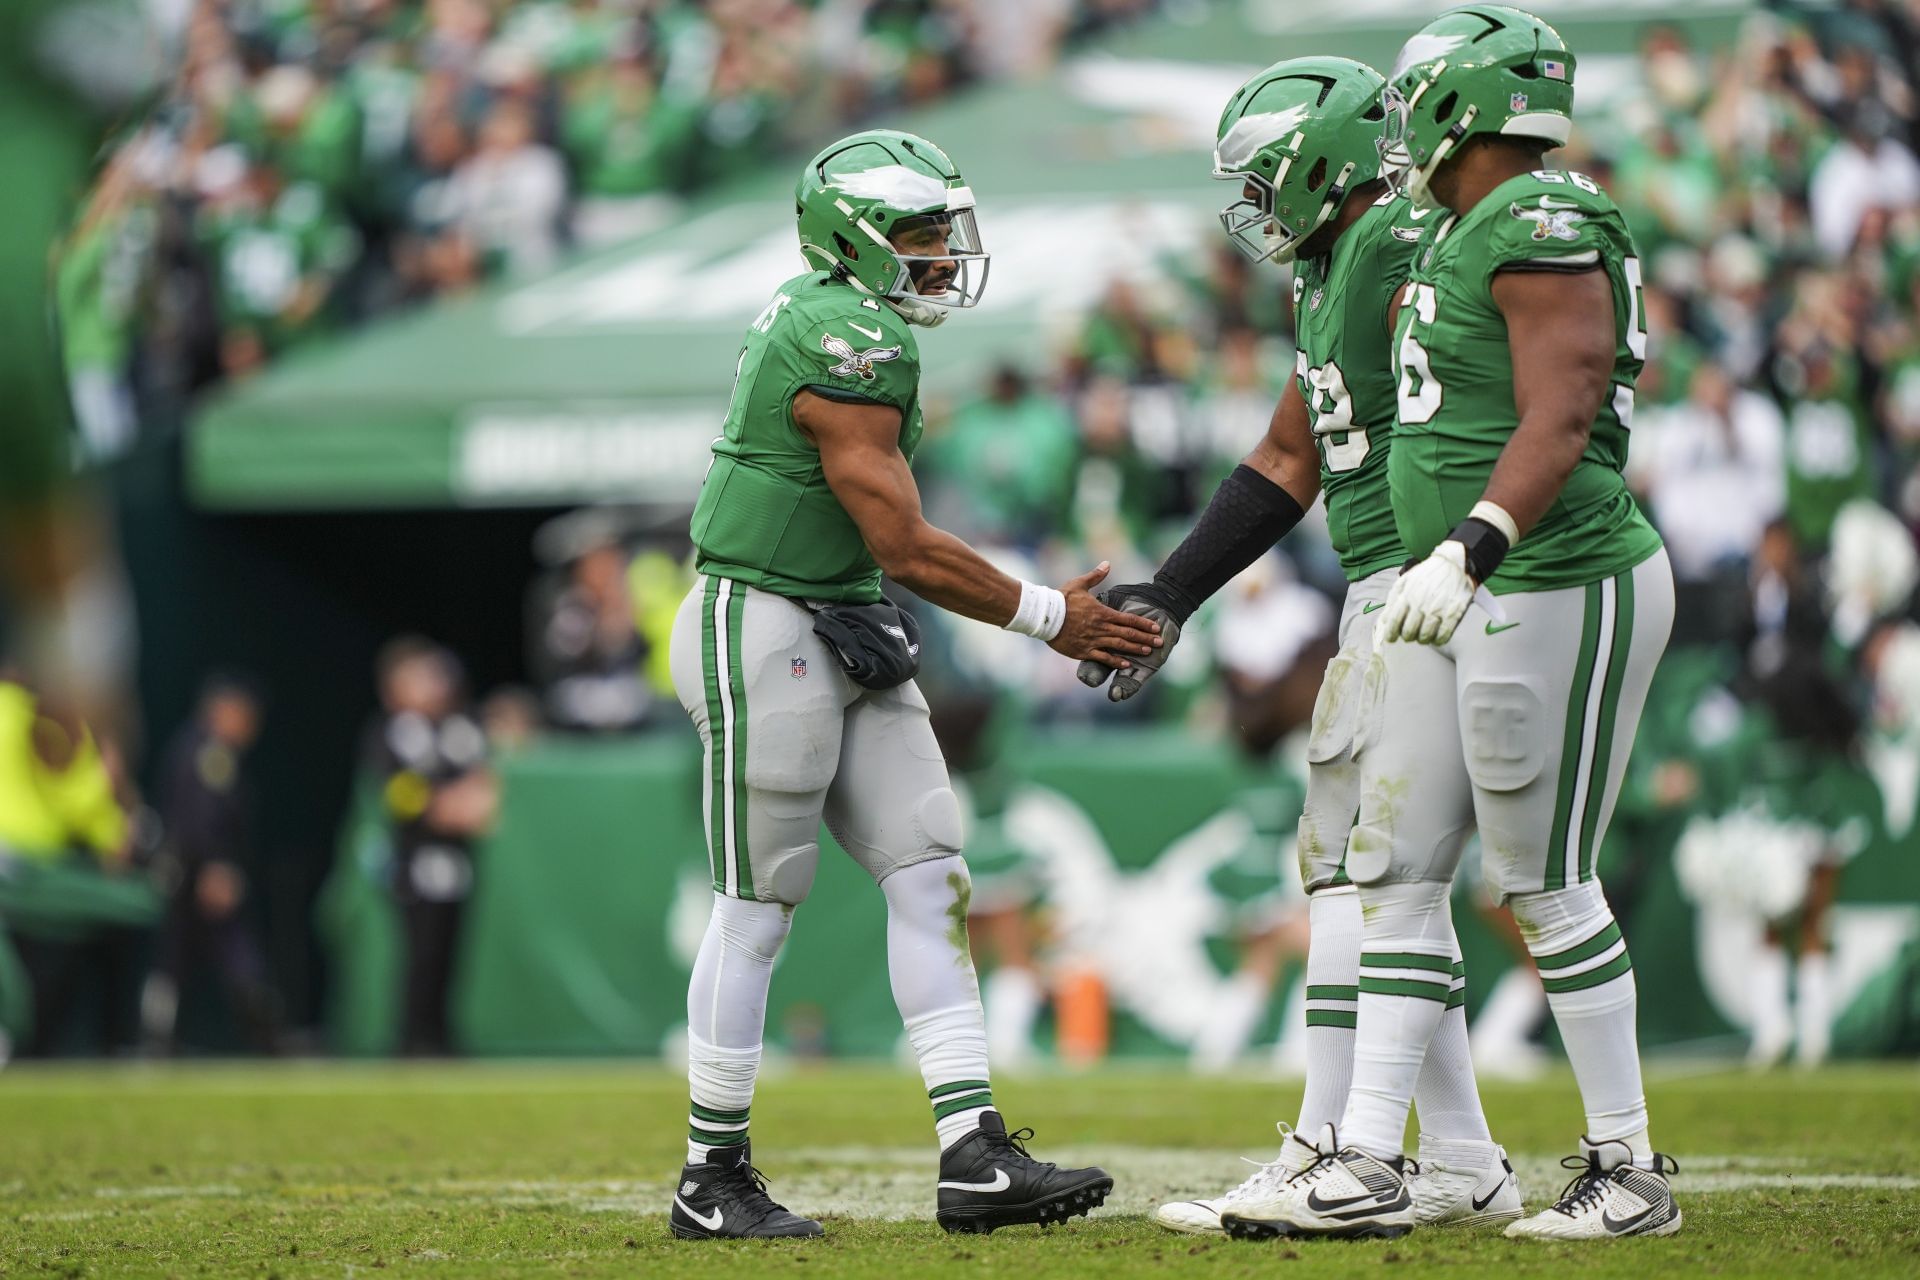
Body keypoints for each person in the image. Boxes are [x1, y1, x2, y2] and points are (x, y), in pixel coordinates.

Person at [665, 128, 1161, 1240]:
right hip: (763, 615)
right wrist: (1050, 614)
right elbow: (903, 541)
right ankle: (712, 1172)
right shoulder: (842, 336)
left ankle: (973, 1151)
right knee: (760, 903)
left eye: (944, 231)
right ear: (857, 239)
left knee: (931, 863)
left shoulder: (859, 321)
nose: (943, 254)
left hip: (840, 615)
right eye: (922, 234)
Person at [1240, 7, 1680, 1241]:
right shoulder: (1454, 226)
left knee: (1544, 882)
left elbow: (1569, 402)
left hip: (1553, 571)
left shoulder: (1537, 219)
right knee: (1390, 867)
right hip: (1473, 582)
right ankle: (1372, 1156)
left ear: (1452, 105)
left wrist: (1471, 539)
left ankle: (1630, 1168)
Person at [1071, 57, 1517, 1238]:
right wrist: (1171, 591)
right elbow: (1285, 456)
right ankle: (1459, 1153)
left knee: (1366, 876)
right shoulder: (1333, 268)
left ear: (1326, 159)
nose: (1260, 203)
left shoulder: (1391, 245)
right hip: (1388, 587)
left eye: (1271, 175)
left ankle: (1333, 1141)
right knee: (1366, 875)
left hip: (1428, 580)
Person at [364, 638, 495, 1056]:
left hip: (456, 863)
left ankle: (440, 1033)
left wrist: (470, 800)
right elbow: (400, 794)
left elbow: (483, 782)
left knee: (449, 955)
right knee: (420, 952)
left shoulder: (458, 728)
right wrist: (443, 806)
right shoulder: (393, 733)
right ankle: (412, 1036)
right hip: (415, 863)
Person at [142, 674, 283, 1055]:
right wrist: (216, 866)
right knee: (227, 954)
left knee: (176, 959)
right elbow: (203, 818)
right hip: (196, 872)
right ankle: (265, 1038)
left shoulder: (192, 747)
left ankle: (159, 1040)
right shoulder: (210, 754)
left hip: (182, 870)